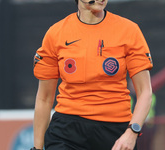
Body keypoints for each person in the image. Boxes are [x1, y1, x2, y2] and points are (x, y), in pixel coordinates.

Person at [31, 0, 153, 150]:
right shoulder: (56, 33)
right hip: (67, 131)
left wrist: (131, 133)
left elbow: (145, 92)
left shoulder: (129, 30)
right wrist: (36, 148)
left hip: (115, 131)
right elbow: (44, 98)